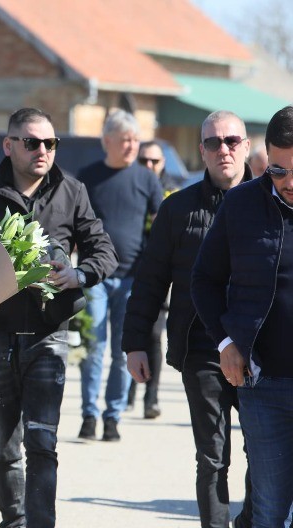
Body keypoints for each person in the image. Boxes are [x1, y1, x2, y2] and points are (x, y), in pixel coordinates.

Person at [0, 108, 117, 528]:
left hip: (50, 334)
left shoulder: (72, 190)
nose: (43, 150)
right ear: (9, 145)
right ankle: (13, 522)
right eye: (32, 142)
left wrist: (79, 274)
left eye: (51, 143)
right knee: (4, 448)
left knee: (42, 442)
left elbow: (103, 249)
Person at [124, 111, 253, 528]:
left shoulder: (271, 204)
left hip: (260, 350)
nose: (223, 150)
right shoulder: (177, 209)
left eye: (231, 141)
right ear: (202, 150)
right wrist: (135, 343)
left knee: (263, 453)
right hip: (202, 347)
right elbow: (150, 279)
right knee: (212, 456)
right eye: (213, 142)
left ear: (246, 146)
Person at [191, 105, 293, 528]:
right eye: (279, 171)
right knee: (269, 512)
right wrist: (226, 343)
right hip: (263, 386)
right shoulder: (241, 204)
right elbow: (204, 280)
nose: (290, 182)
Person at [76, 109, 164, 441]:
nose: (131, 146)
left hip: (133, 279)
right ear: (107, 141)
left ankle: (112, 416)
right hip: (95, 278)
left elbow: (161, 224)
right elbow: (73, 223)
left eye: (135, 140)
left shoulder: (147, 179)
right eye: (125, 140)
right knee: (93, 347)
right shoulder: (88, 176)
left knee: (123, 350)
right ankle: (89, 414)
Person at [126, 139, 176, 419]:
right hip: (130, 271)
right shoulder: (131, 187)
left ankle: (151, 397)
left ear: (163, 163)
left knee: (154, 335)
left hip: (159, 275)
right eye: (143, 160)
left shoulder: (172, 194)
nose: (148, 165)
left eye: (154, 161)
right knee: (130, 333)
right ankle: (128, 392)